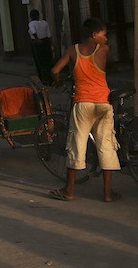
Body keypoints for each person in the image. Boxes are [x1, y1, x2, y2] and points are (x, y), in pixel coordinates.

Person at [49, 18, 120, 202]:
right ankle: (107, 193)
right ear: (94, 35)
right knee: (106, 146)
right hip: (103, 104)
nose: (106, 38)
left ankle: (69, 191)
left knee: (76, 145)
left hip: (83, 104)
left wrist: (59, 82)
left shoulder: (73, 51)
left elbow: (55, 70)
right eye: (103, 34)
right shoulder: (103, 50)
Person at [28, 9, 54, 85]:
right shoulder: (45, 23)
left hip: (37, 43)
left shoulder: (31, 23)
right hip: (46, 42)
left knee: (39, 62)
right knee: (48, 61)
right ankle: (50, 79)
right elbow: (49, 35)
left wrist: (37, 39)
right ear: (38, 16)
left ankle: (43, 79)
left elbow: (33, 32)